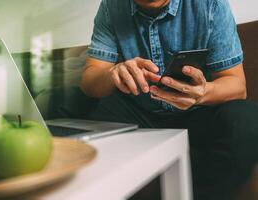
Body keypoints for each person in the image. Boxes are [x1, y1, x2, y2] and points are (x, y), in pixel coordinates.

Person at [80, 0, 258, 199]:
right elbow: (90, 80)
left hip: (199, 113)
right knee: (79, 118)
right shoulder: (112, 6)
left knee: (248, 120)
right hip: (139, 110)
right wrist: (114, 72)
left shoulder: (210, 4)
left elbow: (237, 85)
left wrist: (201, 93)